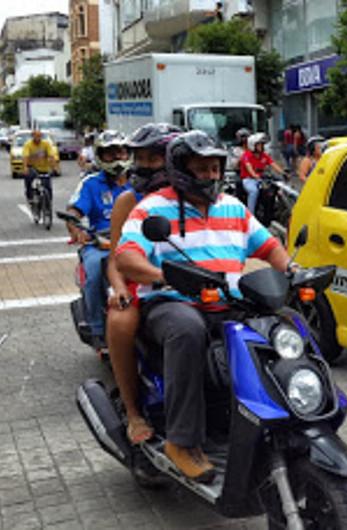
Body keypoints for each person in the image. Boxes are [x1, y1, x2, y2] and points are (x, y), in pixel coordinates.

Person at [115, 130, 293, 482]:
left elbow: (270, 247)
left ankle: (288, 412)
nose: (211, 175)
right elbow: (126, 257)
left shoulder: (233, 206)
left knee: (282, 324)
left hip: (227, 301)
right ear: (182, 169)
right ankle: (183, 442)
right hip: (172, 303)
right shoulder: (151, 208)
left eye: (215, 168)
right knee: (186, 329)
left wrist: (292, 269)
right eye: (202, 168)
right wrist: (164, 277)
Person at [105, 123, 181, 444]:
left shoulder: (193, 196)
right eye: (141, 158)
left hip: (191, 285)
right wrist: (119, 288)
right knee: (121, 322)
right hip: (142, 284)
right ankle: (134, 411)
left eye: (154, 158)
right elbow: (114, 258)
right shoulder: (128, 199)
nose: (145, 166)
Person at [66, 131, 132, 355]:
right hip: (99, 242)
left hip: (135, 240)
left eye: (121, 152)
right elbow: (73, 211)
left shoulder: (140, 182)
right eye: (110, 153)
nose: (117, 158)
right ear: (100, 156)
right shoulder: (91, 183)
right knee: (94, 270)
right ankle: (97, 330)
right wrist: (76, 230)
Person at [240, 132, 285, 213]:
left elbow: (273, 164)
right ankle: (250, 214)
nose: (262, 146)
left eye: (262, 144)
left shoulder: (264, 155)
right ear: (252, 145)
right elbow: (249, 168)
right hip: (249, 179)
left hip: (262, 179)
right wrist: (255, 175)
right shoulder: (246, 155)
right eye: (259, 144)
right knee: (254, 191)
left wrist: (283, 173)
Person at [22, 129, 58, 208]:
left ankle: (48, 203)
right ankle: (30, 196)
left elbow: (51, 156)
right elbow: (25, 157)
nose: (38, 138)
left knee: (47, 186)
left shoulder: (46, 144)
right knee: (29, 177)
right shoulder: (28, 145)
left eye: (39, 136)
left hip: (44, 168)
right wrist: (25, 167)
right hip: (32, 167)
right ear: (32, 136)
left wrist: (54, 167)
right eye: (36, 136)